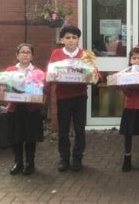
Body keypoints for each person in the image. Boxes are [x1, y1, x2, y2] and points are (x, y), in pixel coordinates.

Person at [48, 26, 88, 172]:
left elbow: (94, 73)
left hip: (80, 96)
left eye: (74, 37)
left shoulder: (85, 54)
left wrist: (92, 76)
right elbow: (50, 74)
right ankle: (64, 158)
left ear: (78, 39)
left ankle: (77, 157)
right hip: (63, 96)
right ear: (62, 39)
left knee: (79, 128)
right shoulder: (56, 54)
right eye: (68, 37)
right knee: (63, 128)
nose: (71, 41)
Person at [6, 43, 44, 175]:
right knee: (16, 137)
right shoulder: (10, 71)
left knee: (30, 137)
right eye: (22, 52)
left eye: (28, 52)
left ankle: (30, 163)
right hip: (14, 108)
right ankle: (18, 163)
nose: (25, 54)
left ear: (32, 56)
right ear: (17, 55)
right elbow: (1, 86)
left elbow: (42, 90)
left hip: (31, 109)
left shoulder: (38, 72)